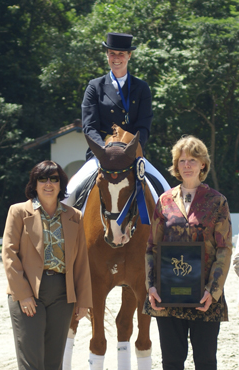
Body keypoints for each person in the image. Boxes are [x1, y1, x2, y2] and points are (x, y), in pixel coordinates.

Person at [144, 135, 232, 370]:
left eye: (192, 160)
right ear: (176, 165)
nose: (187, 165)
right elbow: (152, 247)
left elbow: (224, 249)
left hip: (204, 296)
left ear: (203, 164)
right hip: (168, 296)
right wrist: (151, 285)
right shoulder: (163, 201)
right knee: (171, 362)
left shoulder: (217, 202)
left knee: (205, 362)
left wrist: (212, 291)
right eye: (182, 160)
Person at [2, 160, 92, 370]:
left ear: (61, 185)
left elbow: (81, 261)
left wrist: (84, 300)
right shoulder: (18, 212)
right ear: (34, 184)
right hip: (29, 292)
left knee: (54, 363)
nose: (48, 184)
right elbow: (9, 254)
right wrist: (23, 294)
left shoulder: (74, 216)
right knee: (32, 362)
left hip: (62, 295)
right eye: (42, 179)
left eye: (54, 179)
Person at [65, 32, 170, 210]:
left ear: (129, 55)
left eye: (121, 54)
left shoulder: (141, 87)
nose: (116, 58)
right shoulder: (94, 86)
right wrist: (106, 153)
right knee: (66, 195)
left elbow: (144, 126)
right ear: (107, 55)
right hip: (101, 156)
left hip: (132, 154)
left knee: (167, 197)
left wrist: (130, 150)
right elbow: (89, 127)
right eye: (112, 53)